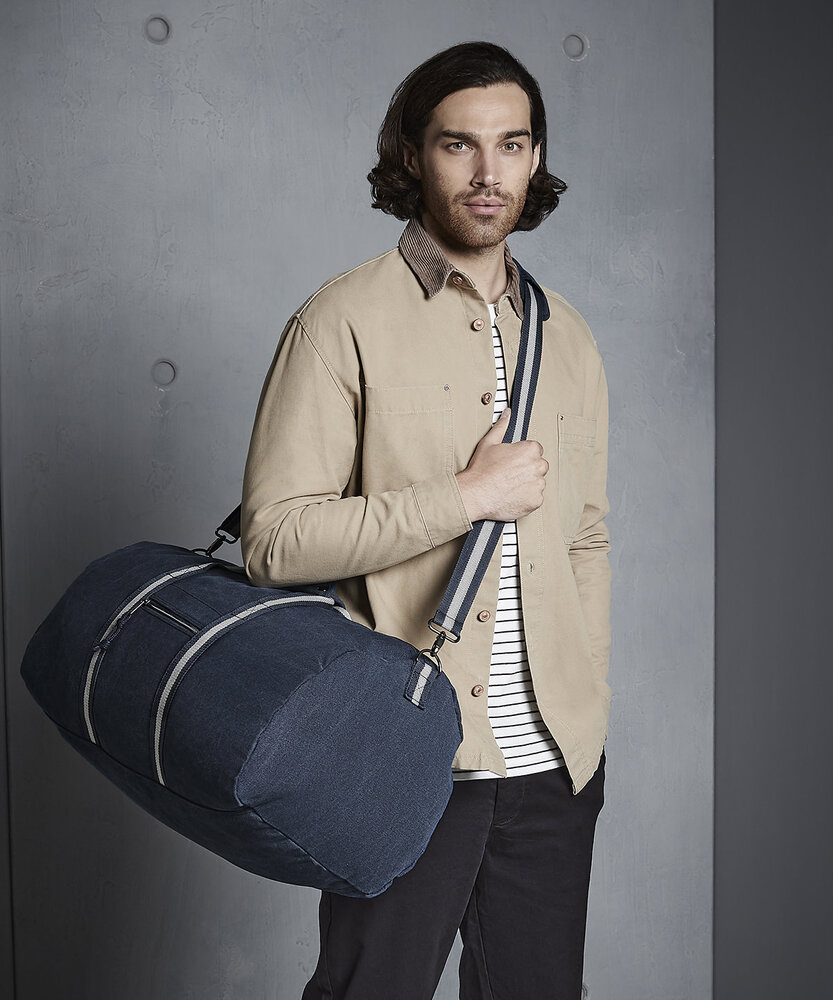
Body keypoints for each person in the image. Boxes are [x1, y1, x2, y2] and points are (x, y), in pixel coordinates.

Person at [242, 41, 611, 1000]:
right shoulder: (340, 321)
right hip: (403, 761)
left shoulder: (568, 337)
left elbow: (583, 534)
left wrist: (589, 705)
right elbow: (274, 540)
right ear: (412, 155)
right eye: (458, 144)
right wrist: (465, 498)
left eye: (511, 144)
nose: (488, 172)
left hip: (552, 768)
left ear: (535, 158)